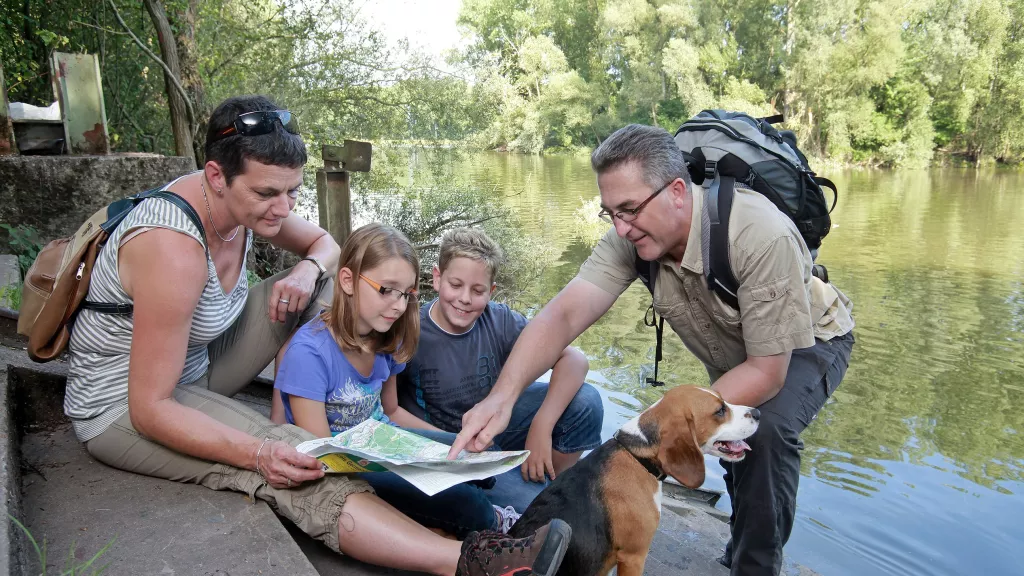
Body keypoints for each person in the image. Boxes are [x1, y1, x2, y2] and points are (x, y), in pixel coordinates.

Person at [63, 94, 571, 576]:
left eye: (292, 192)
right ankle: (462, 560)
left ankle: (326, 394)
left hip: (197, 367)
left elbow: (327, 245)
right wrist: (259, 451)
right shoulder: (170, 248)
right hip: (124, 407)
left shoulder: (248, 202)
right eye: (268, 193)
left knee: (328, 280)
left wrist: (306, 269)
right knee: (290, 458)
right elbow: (149, 408)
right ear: (215, 176)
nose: (283, 209)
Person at [446, 124, 856, 576]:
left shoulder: (760, 235)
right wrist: (502, 398)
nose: (621, 227)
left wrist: (671, 428)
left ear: (677, 191)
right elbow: (562, 316)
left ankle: (755, 567)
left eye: (629, 210)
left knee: (769, 430)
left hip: (806, 343)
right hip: (733, 344)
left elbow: (767, 370)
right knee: (726, 432)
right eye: (610, 213)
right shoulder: (633, 235)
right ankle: (740, 537)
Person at [274, 223, 521, 537]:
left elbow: (391, 412)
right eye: (386, 290)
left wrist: (454, 445)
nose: (399, 305)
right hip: (345, 465)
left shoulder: (384, 337)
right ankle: (490, 527)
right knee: (470, 506)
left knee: (478, 463)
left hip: (388, 442)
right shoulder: (309, 354)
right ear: (347, 280)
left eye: (406, 294)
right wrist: (409, 469)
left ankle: (448, 506)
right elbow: (325, 457)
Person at [396, 227, 602, 512]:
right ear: (437, 277)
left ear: (491, 291)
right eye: (455, 285)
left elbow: (575, 360)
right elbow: (389, 409)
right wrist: (451, 446)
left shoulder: (500, 320)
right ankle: (530, 495)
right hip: (448, 446)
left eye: (478, 290)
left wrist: (542, 425)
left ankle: (550, 480)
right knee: (533, 507)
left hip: (499, 430)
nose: (465, 298)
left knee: (586, 402)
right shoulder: (409, 329)